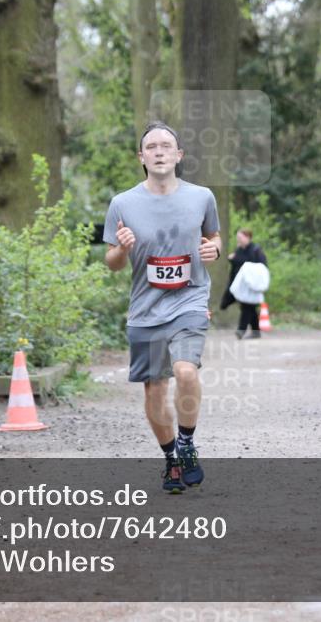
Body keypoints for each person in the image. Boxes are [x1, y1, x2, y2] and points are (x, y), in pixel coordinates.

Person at [103, 121, 222, 493]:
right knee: (155, 389)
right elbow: (112, 263)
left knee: (186, 372)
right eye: (151, 147)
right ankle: (171, 458)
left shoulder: (202, 196)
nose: (158, 151)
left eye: (165, 146)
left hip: (189, 299)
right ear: (141, 157)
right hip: (145, 307)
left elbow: (214, 237)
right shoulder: (122, 203)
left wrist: (214, 248)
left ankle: (186, 444)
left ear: (178, 156)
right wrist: (122, 248)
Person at [220, 229, 268, 339]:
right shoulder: (239, 250)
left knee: (247, 307)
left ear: (248, 237)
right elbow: (237, 266)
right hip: (241, 285)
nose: (239, 240)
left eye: (240, 238)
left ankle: (241, 330)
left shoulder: (256, 250)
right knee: (250, 308)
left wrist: (235, 258)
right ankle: (256, 332)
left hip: (251, 286)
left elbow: (261, 267)